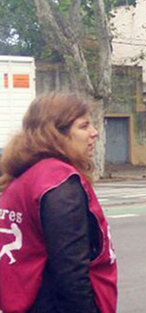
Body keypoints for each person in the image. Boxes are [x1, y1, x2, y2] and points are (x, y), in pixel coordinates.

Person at [0, 94, 117, 313]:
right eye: (83, 126)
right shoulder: (59, 183)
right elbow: (71, 275)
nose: (94, 132)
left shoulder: (24, 177)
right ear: (55, 134)